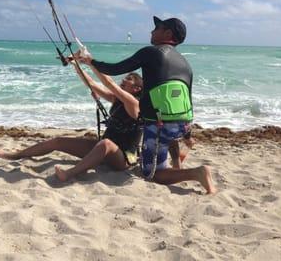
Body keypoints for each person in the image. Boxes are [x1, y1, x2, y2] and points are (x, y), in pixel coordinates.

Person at [78, 16, 217, 194]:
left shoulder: (151, 52)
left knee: (152, 174)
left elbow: (115, 69)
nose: (152, 31)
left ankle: (197, 173)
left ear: (168, 33)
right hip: (183, 123)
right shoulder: (185, 63)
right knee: (168, 140)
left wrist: (91, 61)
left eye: (157, 27)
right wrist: (188, 134)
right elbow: (187, 98)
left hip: (159, 124)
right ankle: (177, 165)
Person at [0, 60, 143, 182]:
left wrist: (91, 62)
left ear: (136, 89)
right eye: (125, 78)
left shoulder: (134, 104)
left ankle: (70, 173)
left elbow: (109, 83)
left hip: (122, 159)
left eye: (128, 79)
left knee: (105, 143)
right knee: (58, 141)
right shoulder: (116, 99)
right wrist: (76, 64)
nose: (123, 80)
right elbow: (91, 84)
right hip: (102, 152)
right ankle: (17, 154)